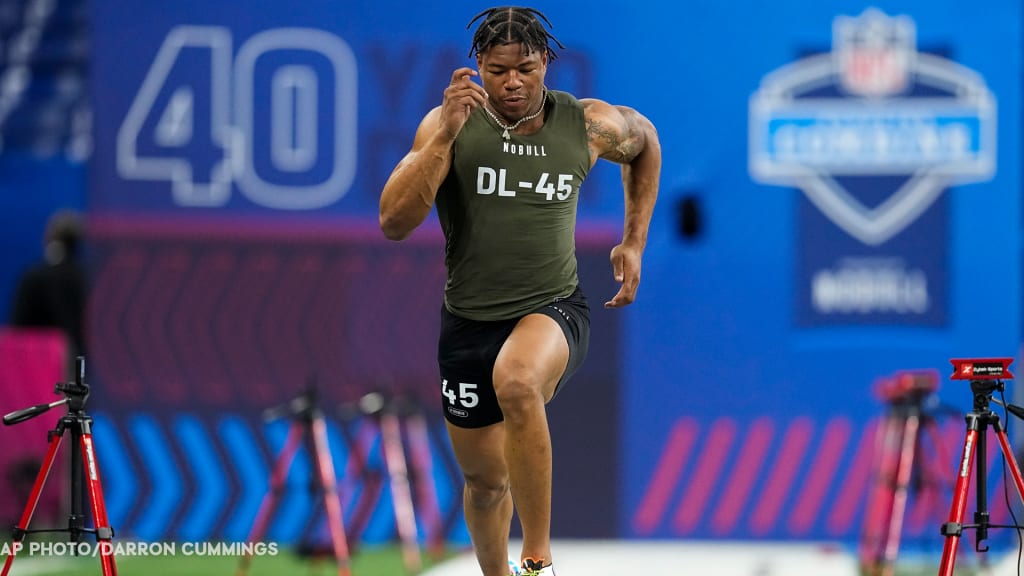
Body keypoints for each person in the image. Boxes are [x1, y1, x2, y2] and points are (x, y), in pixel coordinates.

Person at [379, 7, 660, 576]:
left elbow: (646, 141)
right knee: (485, 484)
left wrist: (633, 241)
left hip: (552, 308)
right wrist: (449, 137)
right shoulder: (446, 123)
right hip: (468, 322)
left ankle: (537, 560)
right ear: (477, 66)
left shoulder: (585, 124)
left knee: (518, 381)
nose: (512, 82)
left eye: (525, 69)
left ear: (545, 65)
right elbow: (395, 222)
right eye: (497, 69)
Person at [10, 209, 87, 362]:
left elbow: (18, 328)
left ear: (48, 237)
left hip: (36, 366)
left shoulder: (34, 277)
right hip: (70, 363)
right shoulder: (82, 277)